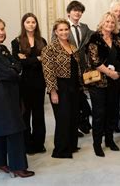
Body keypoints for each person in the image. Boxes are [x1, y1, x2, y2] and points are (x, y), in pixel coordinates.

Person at [0, 18, 34, 178]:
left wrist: (13, 70)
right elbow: (8, 72)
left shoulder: (2, 48)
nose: (1, 32)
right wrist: (13, 70)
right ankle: (18, 167)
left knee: (1, 131)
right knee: (15, 130)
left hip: (8, 96)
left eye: (2, 29)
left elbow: (16, 65)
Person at [85, 12, 120, 157]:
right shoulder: (94, 38)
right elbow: (94, 62)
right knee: (99, 114)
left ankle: (109, 140)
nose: (109, 24)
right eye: (107, 21)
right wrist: (110, 73)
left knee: (112, 112)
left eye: (112, 22)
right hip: (98, 83)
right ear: (102, 22)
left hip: (114, 82)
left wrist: (118, 73)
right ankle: (97, 143)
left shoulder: (118, 40)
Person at [42, 19, 81, 159]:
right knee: (63, 118)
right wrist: (53, 91)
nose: (64, 32)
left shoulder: (72, 46)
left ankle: (71, 145)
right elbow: (48, 72)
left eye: (66, 29)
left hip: (74, 86)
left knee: (73, 117)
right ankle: (61, 150)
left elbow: (77, 68)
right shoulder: (49, 49)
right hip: (60, 87)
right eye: (61, 30)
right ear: (56, 32)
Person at [11, 13, 47, 155]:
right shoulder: (17, 41)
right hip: (24, 83)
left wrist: (28, 59)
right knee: (25, 115)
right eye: (28, 22)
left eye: (33, 22)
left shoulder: (42, 40)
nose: (31, 24)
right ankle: (27, 145)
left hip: (39, 82)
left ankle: (39, 144)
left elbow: (46, 59)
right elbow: (17, 62)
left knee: (39, 114)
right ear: (23, 24)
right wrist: (37, 59)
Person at [66, 0, 93, 136]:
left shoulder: (85, 27)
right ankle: (75, 127)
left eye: (80, 11)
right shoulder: (62, 27)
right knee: (72, 99)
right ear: (68, 12)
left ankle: (82, 123)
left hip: (82, 68)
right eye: (74, 10)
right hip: (68, 68)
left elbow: (94, 36)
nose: (77, 13)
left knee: (80, 98)